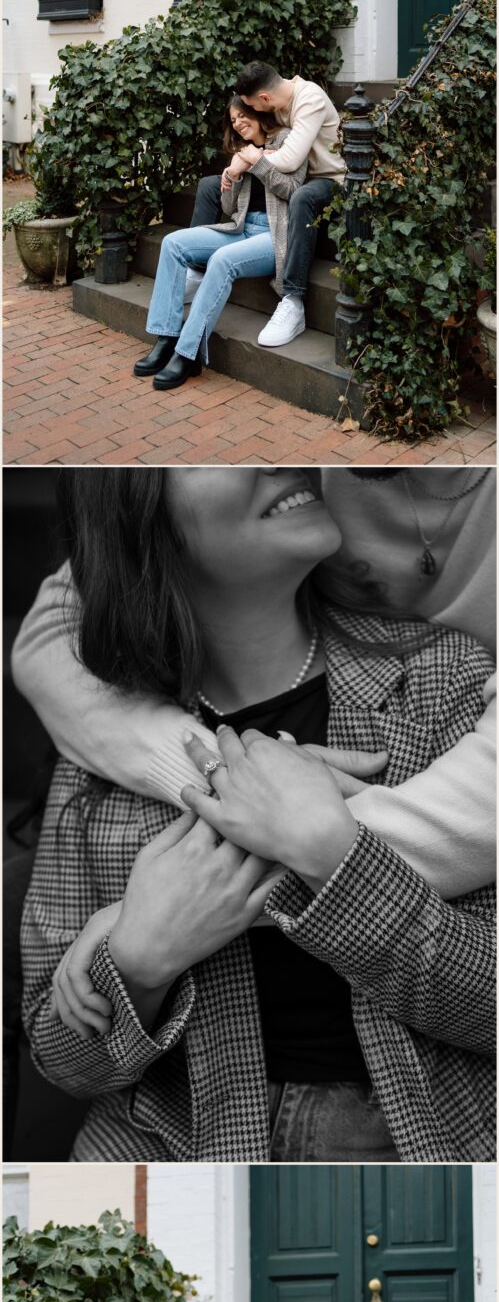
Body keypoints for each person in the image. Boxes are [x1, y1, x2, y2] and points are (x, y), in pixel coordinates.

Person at [18, 469, 495, 1165]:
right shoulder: (99, 753)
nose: (281, 461)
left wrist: (336, 859)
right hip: (178, 1154)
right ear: (144, 522)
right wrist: (142, 962)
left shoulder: (443, 683)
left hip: (431, 1146)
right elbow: (63, 1060)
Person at [133, 98, 308, 392]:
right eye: (234, 120)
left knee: (222, 261)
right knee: (173, 243)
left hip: (272, 236)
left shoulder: (288, 139)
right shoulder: (241, 151)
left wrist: (257, 161)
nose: (239, 123)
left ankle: (187, 354)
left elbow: (293, 190)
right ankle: (167, 338)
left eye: (243, 116)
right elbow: (229, 206)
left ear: (258, 112)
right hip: (241, 227)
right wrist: (232, 174)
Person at [227, 60, 345, 348]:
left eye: (253, 105)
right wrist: (235, 167)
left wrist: (249, 159)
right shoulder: (278, 103)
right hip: (298, 179)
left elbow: (289, 159)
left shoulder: (309, 98)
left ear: (264, 98)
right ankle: (197, 269)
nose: (253, 112)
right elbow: (275, 152)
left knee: (302, 197)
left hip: (331, 180)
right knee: (211, 185)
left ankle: (292, 300)